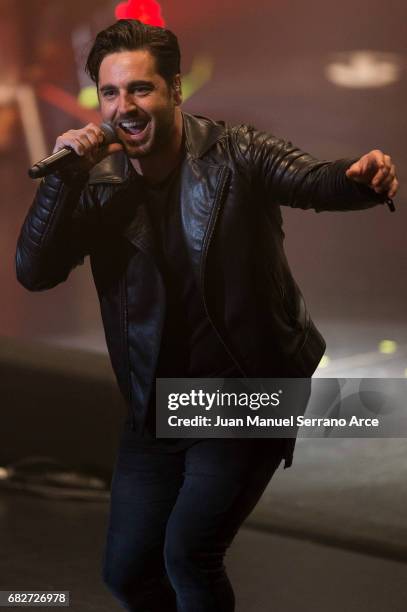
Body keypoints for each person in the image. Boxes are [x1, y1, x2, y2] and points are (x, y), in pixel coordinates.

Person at [15, 18, 398, 612]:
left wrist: (358, 180)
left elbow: (312, 180)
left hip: (246, 391)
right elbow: (33, 272)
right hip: (155, 404)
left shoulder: (235, 152)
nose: (125, 107)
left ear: (174, 91)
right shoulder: (95, 183)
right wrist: (62, 180)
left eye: (140, 89)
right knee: (127, 574)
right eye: (111, 93)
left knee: (189, 555)